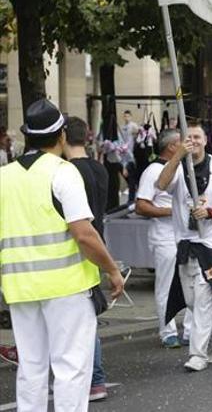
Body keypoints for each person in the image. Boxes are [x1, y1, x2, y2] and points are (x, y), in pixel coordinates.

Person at [0, 99, 124, 410]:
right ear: (62, 136)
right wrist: (112, 269)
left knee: (31, 366)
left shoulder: (4, 176)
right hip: (66, 287)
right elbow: (84, 233)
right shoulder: (63, 172)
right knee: (71, 367)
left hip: (20, 287)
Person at [157, 122, 212, 372]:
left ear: (205, 140)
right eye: (188, 137)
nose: (193, 141)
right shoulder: (179, 168)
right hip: (186, 241)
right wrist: (178, 157)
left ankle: (197, 354)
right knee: (192, 300)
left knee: (204, 297)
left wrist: (211, 211)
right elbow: (161, 185)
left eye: (197, 137)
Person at [63, 117, 113, 402]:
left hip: (77, 247)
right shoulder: (99, 169)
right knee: (88, 315)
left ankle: (94, 378)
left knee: (80, 320)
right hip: (98, 244)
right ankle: (94, 378)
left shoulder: (66, 172)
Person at [136, 128, 192, 348]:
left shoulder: (184, 169)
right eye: (183, 141)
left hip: (184, 235)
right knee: (167, 285)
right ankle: (167, 331)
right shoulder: (153, 171)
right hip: (165, 237)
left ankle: (189, 330)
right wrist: (173, 212)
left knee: (189, 282)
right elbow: (141, 205)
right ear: (172, 147)